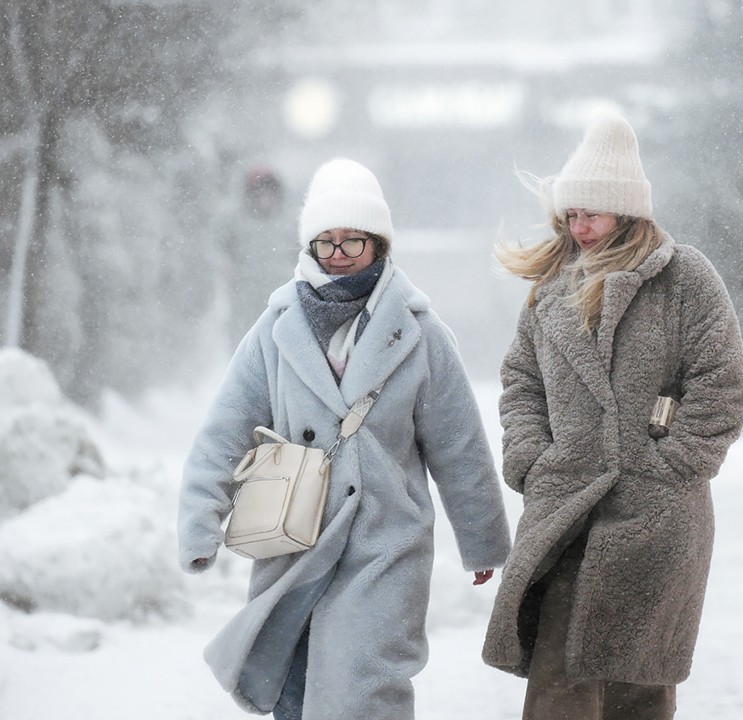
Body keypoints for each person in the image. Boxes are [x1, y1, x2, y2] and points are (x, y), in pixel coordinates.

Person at [178, 157, 512, 720]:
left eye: (352, 241)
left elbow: (458, 446)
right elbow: (225, 431)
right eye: (324, 242)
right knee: (294, 683)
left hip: (386, 542)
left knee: (366, 688)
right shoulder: (276, 329)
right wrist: (199, 522)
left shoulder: (419, 332)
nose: (337, 255)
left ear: (379, 243)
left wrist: (481, 540)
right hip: (293, 537)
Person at [482, 114, 743, 720]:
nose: (578, 228)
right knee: (558, 687)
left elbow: (720, 383)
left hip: (655, 518)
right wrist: (532, 459)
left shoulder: (686, 281)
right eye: (570, 216)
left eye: (590, 216)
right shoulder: (550, 288)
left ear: (627, 213)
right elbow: (520, 380)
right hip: (566, 511)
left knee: (639, 691)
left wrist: (669, 466)